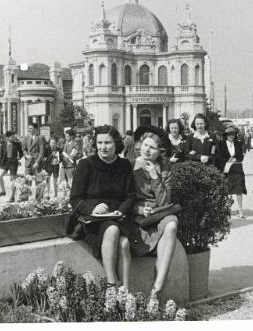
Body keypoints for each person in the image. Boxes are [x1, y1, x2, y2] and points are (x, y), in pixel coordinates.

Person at [70, 125, 136, 288]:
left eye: (107, 143)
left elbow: (130, 196)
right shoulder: (85, 164)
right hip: (91, 219)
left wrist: (121, 211)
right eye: (99, 143)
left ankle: (125, 293)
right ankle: (111, 285)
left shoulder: (125, 165)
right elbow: (75, 198)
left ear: (116, 144)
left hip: (118, 217)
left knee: (124, 243)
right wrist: (92, 208)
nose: (103, 147)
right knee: (112, 230)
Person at [129, 125, 179, 298]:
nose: (147, 150)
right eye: (145, 145)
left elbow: (165, 201)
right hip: (136, 216)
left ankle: (157, 287)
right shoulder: (130, 166)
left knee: (172, 224)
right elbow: (122, 199)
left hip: (159, 214)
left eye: (152, 147)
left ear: (160, 152)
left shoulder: (165, 170)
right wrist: (140, 209)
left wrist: (154, 176)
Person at [217, 126, 248, 218]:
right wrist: (227, 160)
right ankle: (227, 210)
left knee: (239, 190)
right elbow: (219, 156)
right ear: (225, 135)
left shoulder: (238, 143)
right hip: (226, 169)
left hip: (237, 169)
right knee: (227, 191)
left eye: (233, 134)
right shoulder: (221, 144)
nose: (231, 136)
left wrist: (235, 159)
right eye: (229, 134)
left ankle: (240, 209)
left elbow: (241, 157)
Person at [0, 130, 24, 202]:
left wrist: (19, 157)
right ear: (7, 138)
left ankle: (12, 197)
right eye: (12, 137)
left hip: (13, 162)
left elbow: (21, 152)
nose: (13, 138)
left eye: (13, 136)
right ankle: (3, 191)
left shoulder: (16, 144)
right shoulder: (4, 144)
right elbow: (1, 155)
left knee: (13, 180)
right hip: (5, 162)